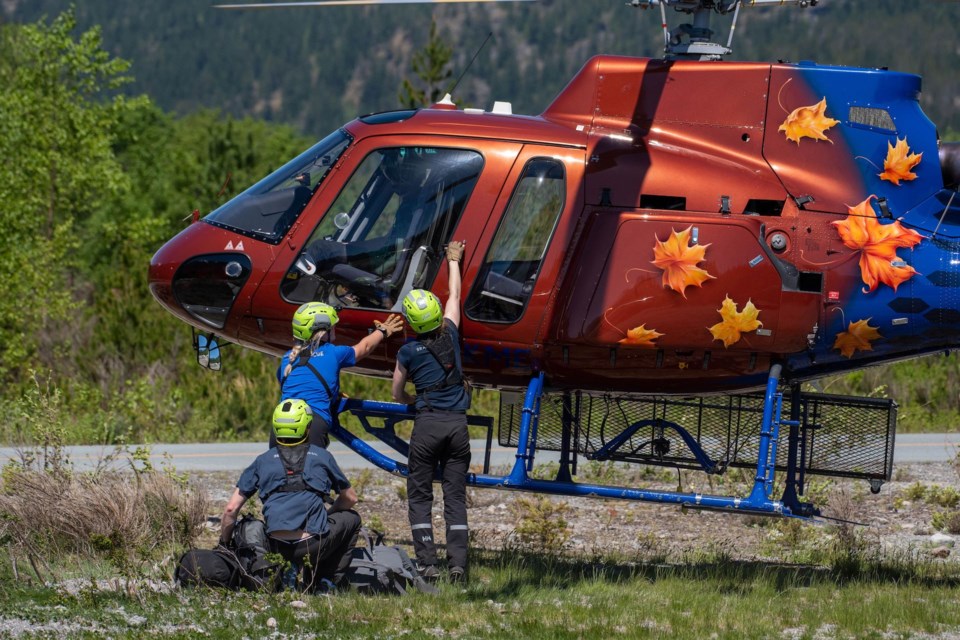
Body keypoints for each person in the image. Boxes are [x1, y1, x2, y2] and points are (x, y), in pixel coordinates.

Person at [391, 240, 470, 584]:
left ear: (410, 322)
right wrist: (454, 260)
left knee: (420, 495)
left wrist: (411, 400)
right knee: (454, 497)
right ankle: (458, 566)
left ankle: (427, 564)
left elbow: (397, 392)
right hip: (458, 428)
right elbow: (455, 297)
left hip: (427, 427)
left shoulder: (408, 352)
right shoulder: (450, 334)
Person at [220, 399, 361, 592]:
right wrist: (330, 513)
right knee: (352, 518)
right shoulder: (322, 456)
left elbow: (231, 509)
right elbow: (350, 498)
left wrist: (225, 544)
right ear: (307, 427)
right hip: (314, 544)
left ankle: (288, 572)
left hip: (275, 545)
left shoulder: (262, 461)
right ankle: (323, 582)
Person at [276, 302, 403, 449]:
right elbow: (365, 347)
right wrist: (382, 331)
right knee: (314, 470)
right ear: (323, 332)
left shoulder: (287, 359)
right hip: (312, 425)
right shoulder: (333, 353)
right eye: (333, 326)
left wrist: (332, 393)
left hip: (281, 424)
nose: (335, 328)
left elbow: (298, 386)